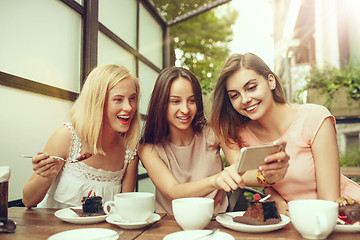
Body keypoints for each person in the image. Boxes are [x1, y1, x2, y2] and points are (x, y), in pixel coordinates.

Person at [211, 52, 360, 215]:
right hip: (293, 223)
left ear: (271, 81)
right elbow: (241, 176)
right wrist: (273, 194)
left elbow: (329, 203)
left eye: (251, 87)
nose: (245, 99)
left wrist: (280, 201)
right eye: (234, 95)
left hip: (345, 215)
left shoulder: (315, 118)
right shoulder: (238, 134)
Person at [138, 66, 289, 215]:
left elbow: (242, 171)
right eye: (175, 101)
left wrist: (267, 175)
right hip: (170, 226)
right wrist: (215, 180)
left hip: (216, 221)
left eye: (191, 100)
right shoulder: (148, 148)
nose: (185, 109)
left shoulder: (215, 132)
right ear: (161, 103)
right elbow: (173, 191)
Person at [22, 64, 140, 208]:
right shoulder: (66, 136)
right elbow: (28, 200)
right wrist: (47, 175)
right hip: (55, 229)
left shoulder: (129, 150)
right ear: (97, 102)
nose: (129, 107)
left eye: (132, 98)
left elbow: (124, 208)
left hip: (103, 231)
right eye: (118, 99)